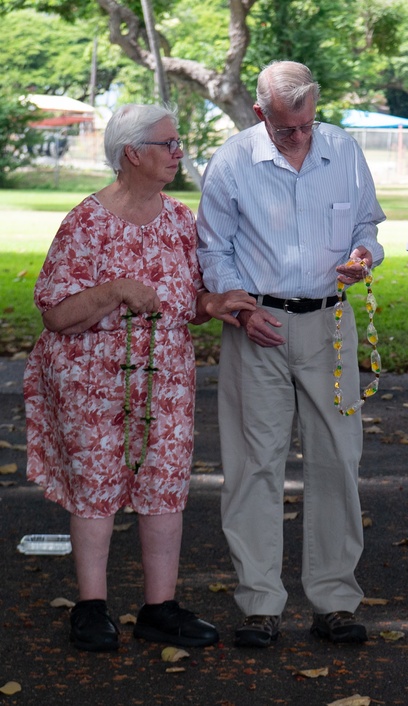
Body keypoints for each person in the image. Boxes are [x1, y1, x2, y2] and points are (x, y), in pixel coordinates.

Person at [23, 104, 255, 652]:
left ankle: (160, 608)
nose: (179, 153)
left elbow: (188, 301)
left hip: (165, 381)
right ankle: (92, 609)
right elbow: (55, 313)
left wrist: (212, 301)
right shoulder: (86, 221)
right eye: (169, 144)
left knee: (164, 489)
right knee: (96, 490)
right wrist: (116, 289)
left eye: (178, 143)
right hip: (90, 381)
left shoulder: (178, 220)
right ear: (132, 153)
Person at [197, 61, 385, 648]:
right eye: (285, 130)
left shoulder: (345, 151)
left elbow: (369, 227)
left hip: (329, 322)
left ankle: (334, 600)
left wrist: (363, 254)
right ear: (260, 115)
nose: (300, 137)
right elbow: (213, 249)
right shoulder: (232, 162)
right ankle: (259, 603)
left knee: (337, 459)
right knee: (255, 464)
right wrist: (244, 310)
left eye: (306, 125)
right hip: (257, 325)